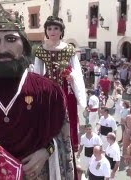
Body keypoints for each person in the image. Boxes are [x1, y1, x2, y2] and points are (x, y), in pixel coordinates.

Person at [0, 5, 74, 180]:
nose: (3, 48)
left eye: (11, 39)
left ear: (24, 45)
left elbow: (62, 139)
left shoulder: (50, 91)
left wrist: (46, 151)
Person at [33, 15, 87, 152]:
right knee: (47, 115)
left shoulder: (69, 49)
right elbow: (37, 73)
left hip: (65, 88)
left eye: (56, 28)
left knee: (68, 115)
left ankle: (69, 144)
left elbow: (77, 71)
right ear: (46, 31)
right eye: (49, 28)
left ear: (61, 31)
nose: (52, 31)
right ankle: (48, 143)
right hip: (47, 88)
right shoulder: (40, 49)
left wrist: (71, 76)